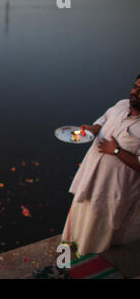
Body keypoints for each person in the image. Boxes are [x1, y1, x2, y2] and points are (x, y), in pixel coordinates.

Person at [61, 75, 140, 256]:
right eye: (136, 87)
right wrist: (93, 129)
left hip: (114, 190)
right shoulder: (121, 105)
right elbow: (103, 119)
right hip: (91, 178)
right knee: (81, 212)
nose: (136, 93)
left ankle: (91, 258)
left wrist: (117, 151)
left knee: (99, 227)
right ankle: (72, 245)